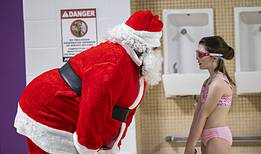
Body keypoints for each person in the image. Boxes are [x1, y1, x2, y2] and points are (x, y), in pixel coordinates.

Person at [14, 10, 163, 154]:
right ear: (145, 48)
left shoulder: (135, 69)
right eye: (156, 48)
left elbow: (122, 114)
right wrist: (89, 147)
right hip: (46, 107)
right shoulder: (114, 63)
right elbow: (94, 108)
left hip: (57, 106)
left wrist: (111, 147)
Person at [185, 36, 235, 154]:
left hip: (217, 136)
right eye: (197, 53)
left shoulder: (218, 83)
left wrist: (190, 145)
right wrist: (189, 144)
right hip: (206, 135)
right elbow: (197, 115)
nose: (197, 58)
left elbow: (203, 115)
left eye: (201, 54)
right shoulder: (208, 82)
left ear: (214, 57)